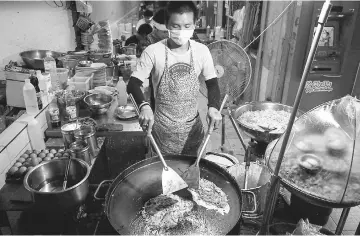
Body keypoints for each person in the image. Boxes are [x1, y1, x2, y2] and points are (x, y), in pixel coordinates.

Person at [127, 1, 222, 156]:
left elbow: (212, 84)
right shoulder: (153, 52)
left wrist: (213, 107)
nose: (181, 31)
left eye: (187, 26)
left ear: (194, 24)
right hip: (162, 132)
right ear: (167, 24)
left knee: (192, 175)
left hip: (192, 130)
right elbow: (133, 84)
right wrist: (144, 106)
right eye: (176, 26)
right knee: (163, 178)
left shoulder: (202, 51)